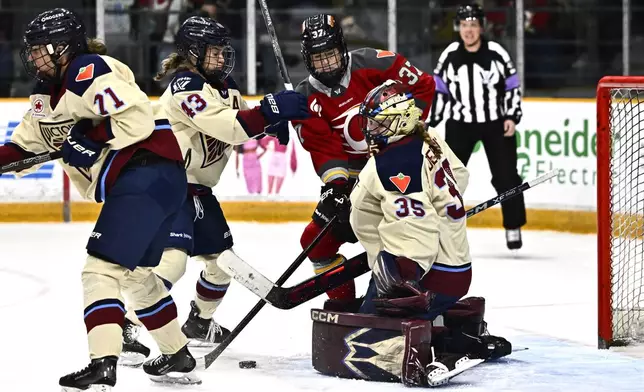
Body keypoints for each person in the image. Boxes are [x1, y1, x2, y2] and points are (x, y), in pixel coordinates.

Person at [0, 8, 200, 389]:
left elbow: (137, 119)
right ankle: (177, 352)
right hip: (157, 181)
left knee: (100, 270)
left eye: (42, 49)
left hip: (146, 172)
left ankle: (103, 362)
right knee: (138, 276)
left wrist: (88, 138)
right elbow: (22, 149)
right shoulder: (46, 94)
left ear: (65, 46)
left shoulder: (87, 70)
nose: (34, 57)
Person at [119, 16, 310, 363]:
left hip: (198, 190)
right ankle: (126, 325)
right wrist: (269, 111)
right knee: (172, 263)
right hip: (167, 184)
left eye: (224, 51)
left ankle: (198, 322)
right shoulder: (185, 88)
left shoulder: (226, 87)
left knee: (222, 264)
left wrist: (269, 123)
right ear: (193, 53)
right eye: (215, 52)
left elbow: (241, 119)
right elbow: (225, 125)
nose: (223, 58)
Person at [309, 80, 511, 388]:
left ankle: (433, 344)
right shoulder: (429, 138)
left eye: (377, 123)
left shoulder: (393, 164)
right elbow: (460, 178)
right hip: (456, 268)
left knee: (367, 325)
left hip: (428, 275)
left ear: (398, 121)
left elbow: (416, 233)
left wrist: (401, 274)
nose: (370, 130)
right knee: (383, 301)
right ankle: (458, 331)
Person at [292, 13, 436, 302]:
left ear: (342, 48)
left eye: (331, 55)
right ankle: (344, 310)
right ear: (308, 59)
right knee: (315, 244)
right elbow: (325, 147)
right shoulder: (305, 98)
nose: (327, 64)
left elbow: (423, 85)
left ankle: (422, 300)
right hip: (354, 179)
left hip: (398, 166)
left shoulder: (376, 62)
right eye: (319, 59)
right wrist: (335, 187)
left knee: (408, 239)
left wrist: (403, 134)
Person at [428, 3, 526, 250]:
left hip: (495, 123)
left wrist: (512, 116)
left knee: (506, 175)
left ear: (481, 28)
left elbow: (512, 85)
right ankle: (442, 227)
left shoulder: (496, 52)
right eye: (464, 25)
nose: (468, 30)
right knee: (448, 178)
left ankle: (513, 225)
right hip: (460, 124)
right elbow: (440, 91)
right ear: (458, 28)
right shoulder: (450, 54)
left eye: (473, 25)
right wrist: (430, 123)